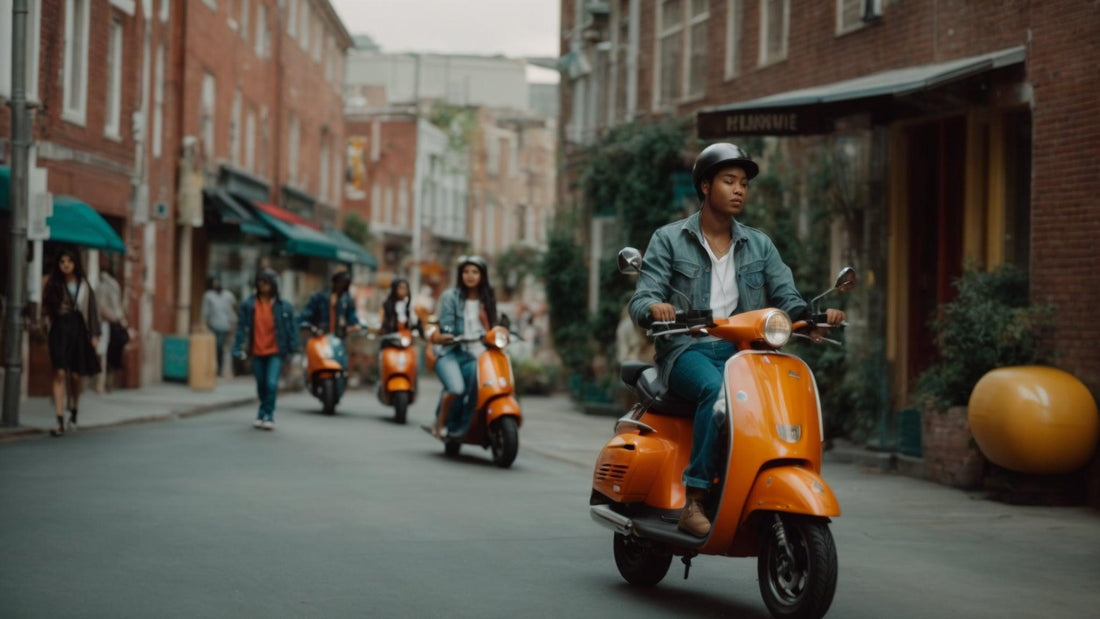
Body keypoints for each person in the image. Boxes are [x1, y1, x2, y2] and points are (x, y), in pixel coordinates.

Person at [628, 143, 846, 537]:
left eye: (744, 183)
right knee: (718, 394)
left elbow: (787, 297)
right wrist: (654, 307)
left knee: (783, 394)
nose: (739, 189)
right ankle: (694, 499)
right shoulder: (669, 239)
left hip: (746, 353)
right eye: (729, 181)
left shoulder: (759, 244)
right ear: (706, 186)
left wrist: (812, 319)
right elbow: (643, 296)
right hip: (687, 350)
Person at [429, 255, 498, 438]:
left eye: (475, 272)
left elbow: (494, 324)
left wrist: (504, 332)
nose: (470, 276)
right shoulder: (450, 296)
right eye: (466, 271)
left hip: (478, 355)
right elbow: (446, 323)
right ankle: (440, 423)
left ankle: (464, 426)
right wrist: (448, 334)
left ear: (482, 275)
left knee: (479, 391)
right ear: (460, 275)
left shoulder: (488, 297)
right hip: (451, 352)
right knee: (456, 389)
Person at [41, 248, 101, 437]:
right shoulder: (52, 284)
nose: (66, 265)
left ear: (75, 263)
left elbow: (92, 311)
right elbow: (45, 312)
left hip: (79, 331)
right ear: (58, 265)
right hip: (59, 331)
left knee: (76, 376)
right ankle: (59, 421)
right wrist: (45, 332)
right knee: (59, 373)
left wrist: (95, 335)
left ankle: (73, 410)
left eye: (69, 261)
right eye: (62, 261)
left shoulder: (84, 285)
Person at [232, 270, 298, 430]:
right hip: (256, 350)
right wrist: (237, 347)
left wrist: (293, 348)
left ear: (273, 285)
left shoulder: (283, 306)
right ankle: (262, 411)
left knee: (271, 383)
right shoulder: (249, 305)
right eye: (260, 282)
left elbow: (292, 329)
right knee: (261, 384)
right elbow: (242, 328)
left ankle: (269, 414)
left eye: (266, 282)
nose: (262, 285)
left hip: (276, 351)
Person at [299, 270, 362, 337]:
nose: (342, 288)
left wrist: (355, 326)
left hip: (338, 339)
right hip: (321, 338)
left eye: (345, 285)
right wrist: (312, 327)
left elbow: (352, 318)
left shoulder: (346, 301)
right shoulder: (320, 298)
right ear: (335, 283)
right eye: (341, 284)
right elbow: (305, 316)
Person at [96, 264, 128, 392]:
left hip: (105, 325)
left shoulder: (101, 287)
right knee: (107, 356)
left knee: (104, 355)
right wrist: (119, 319)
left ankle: (102, 384)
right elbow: (113, 308)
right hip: (108, 324)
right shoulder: (112, 286)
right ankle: (103, 384)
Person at [202, 277, 237, 378]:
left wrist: (234, 323)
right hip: (214, 325)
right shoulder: (209, 295)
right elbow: (205, 311)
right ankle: (216, 368)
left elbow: (234, 308)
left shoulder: (229, 295)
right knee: (216, 347)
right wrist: (204, 323)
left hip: (227, 325)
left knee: (223, 347)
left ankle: (223, 369)